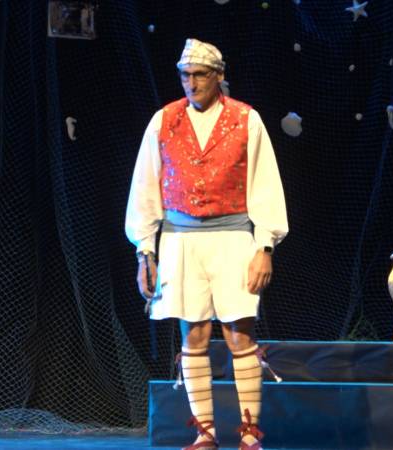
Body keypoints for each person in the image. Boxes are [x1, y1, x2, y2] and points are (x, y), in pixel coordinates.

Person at [125, 38, 288, 450]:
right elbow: (145, 188)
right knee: (194, 337)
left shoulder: (245, 119)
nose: (191, 83)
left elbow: (265, 184)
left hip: (233, 239)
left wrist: (264, 247)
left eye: (199, 75)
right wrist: (145, 251)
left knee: (239, 336)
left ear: (218, 75)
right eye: (185, 75)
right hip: (180, 241)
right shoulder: (164, 120)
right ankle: (205, 434)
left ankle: (249, 434)